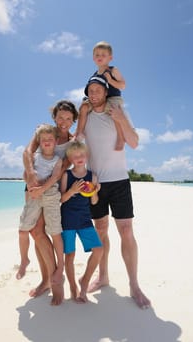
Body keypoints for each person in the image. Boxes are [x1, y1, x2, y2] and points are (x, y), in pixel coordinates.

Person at [83, 74, 151, 309]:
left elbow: (134, 142)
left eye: (97, 90)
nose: (93, 94)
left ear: (105, 92)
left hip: (120, 181)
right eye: (90, 90)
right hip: (95, 183)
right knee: (101, 230)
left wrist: (121, 119)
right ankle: (103, 277)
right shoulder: (86, 116)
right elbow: (77, 145)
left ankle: (134, 284)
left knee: (126, 230)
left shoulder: (118, 111)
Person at [22, 100, 78, 305]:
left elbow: (62, 168)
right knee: (35, 233)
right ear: (54, 117)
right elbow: (28, 152)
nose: (64, 122)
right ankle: (46, 279)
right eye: (60, 117)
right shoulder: (44, 132)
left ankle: (54, 280)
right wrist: (30, 175)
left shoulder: (73, 142)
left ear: (74, 120)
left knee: (39, 231)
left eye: (69, 118)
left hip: (51, 189)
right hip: (32, 183)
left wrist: (42, 187)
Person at [18, 123, 64, 298]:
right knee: (24, 230)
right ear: (39, 141)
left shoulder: (58, 160)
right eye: (43, 140)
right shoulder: (35, 157)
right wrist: (30, 180)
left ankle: (58, 271)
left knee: (54, 232)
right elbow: (26, 173)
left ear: (55, 141)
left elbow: (55, 177)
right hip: (34, 193)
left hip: (50, 194)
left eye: (50, 139)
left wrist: (41, 189)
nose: (46, 142)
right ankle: (24, 260)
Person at [60, 141, 103, 303]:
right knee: (69, 255)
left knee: (98, 250)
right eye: (75, 155)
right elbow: (62, 199)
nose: (79, 158)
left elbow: (94, 202)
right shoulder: (67, 175)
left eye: (82, 155)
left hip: (85, 220)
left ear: (87, 156)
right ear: (70, 158)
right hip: (68, 221)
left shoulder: (92, 176)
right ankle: (73, 286)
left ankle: (84, 280)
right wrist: (72, 191)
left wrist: (94, 191)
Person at [75, 41, 126, 151]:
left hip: (112, 97)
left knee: (114, 109)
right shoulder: (94, 75)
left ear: (110, 58)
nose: (100, 57)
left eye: (103, 55)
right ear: (93, 58)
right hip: (98, 99)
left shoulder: (113, 70)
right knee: (83, 106)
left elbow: (123, 85)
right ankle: (79, 132)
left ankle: (121, 138)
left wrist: (110, 80)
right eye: (97, 55)